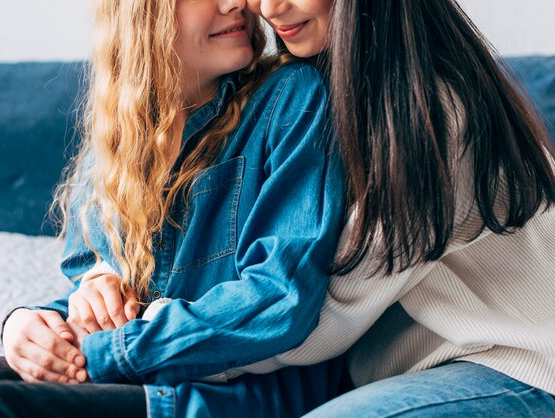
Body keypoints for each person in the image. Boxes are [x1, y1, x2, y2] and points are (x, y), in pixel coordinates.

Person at [0, 0, 349, 417]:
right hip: (130, 369)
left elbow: (279, 299)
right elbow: (104, 302)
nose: (235, 3)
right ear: (140, 13)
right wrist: (28, 327)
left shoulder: (292, 97)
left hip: (235, 395)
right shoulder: (117, 145)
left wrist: (97, 352)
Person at [235, 0, 555, 416]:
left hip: (524, 363)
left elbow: (321, 315)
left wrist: (150, 342)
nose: (270, 8)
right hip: (436, 368)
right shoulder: (312, 98)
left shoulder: (432, 116)